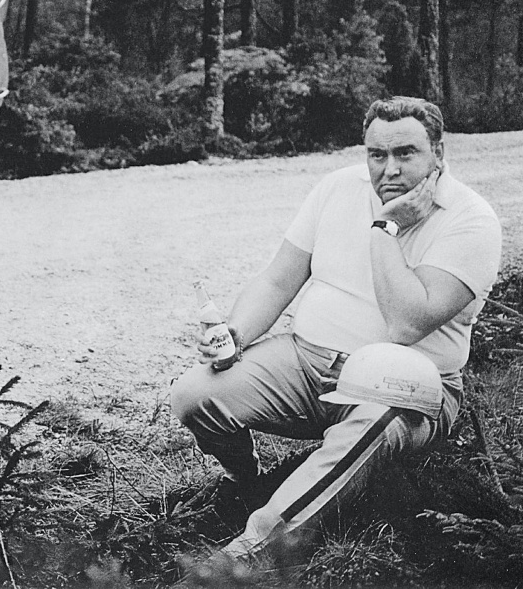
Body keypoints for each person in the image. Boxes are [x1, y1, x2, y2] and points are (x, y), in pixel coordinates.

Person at [170, 96, 502, 566]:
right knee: (193, 395)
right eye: (376, 154)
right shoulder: (337, 188)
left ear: (439, 154)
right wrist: (237, 332)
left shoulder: (471, 220)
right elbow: (278, 278)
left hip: (408, 387)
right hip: (308, 361)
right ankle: (252, 485)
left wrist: (385, 228)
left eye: (406, 153)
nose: (389, 169)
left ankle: (248, 555)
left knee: (374, 423)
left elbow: (406, 324)